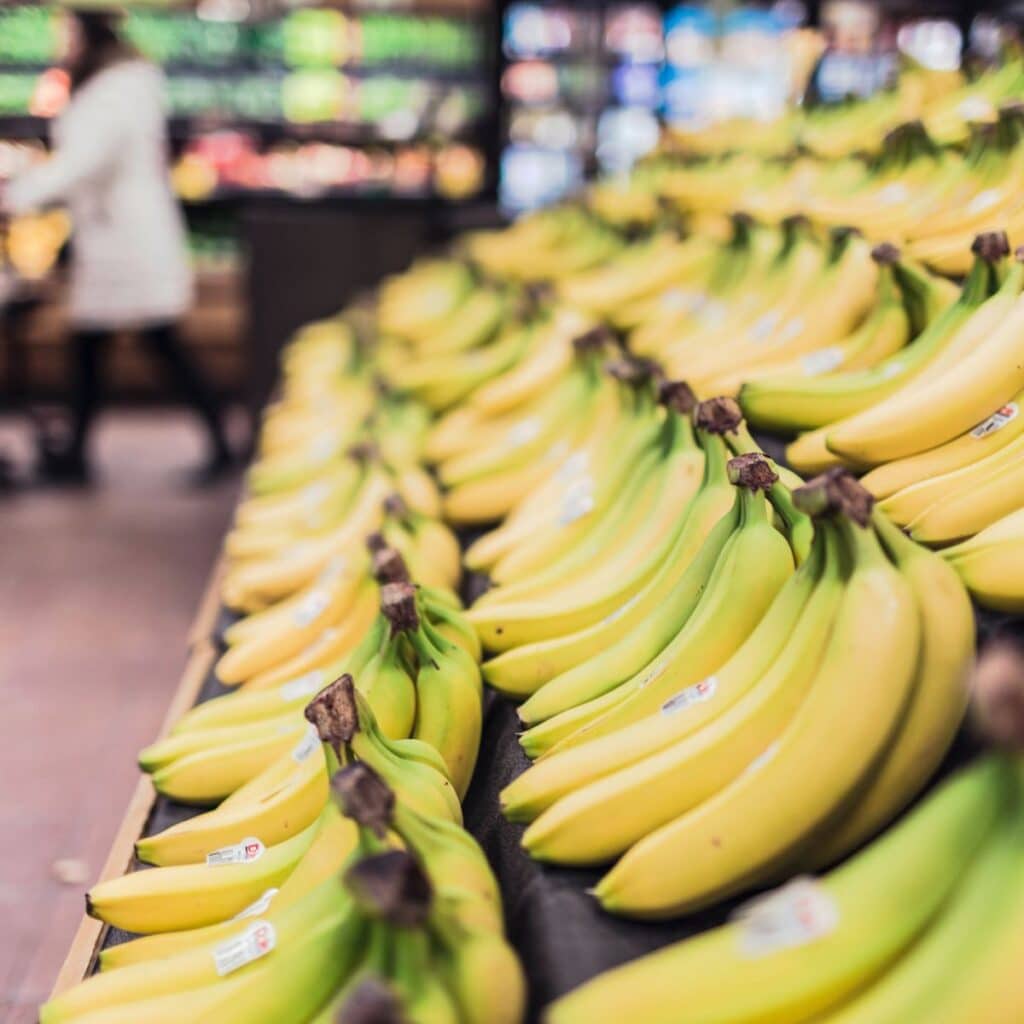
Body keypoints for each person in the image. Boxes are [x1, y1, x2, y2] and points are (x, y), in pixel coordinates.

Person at [0, 2, 233, 485]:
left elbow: (83, 162)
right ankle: (78, 453)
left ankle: (217, 443)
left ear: (88, 33)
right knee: (92, 345)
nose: (62, 42)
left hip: (127, 241)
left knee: (155, 342)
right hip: (115, 238)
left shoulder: (114, 92)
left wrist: (16, 195)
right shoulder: (120, 85)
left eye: (67, 32)